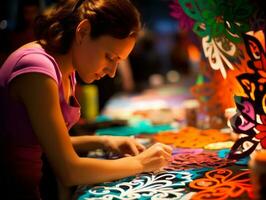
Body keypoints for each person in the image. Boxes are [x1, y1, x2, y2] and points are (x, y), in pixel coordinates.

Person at [0, 0, 172, 199]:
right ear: (83, 32)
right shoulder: (37, 69)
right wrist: (141, 163)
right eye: (110, 57)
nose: (112, 72)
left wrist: (105, 141)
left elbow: (49, 142)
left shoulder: (66, 68)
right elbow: (69, 171)